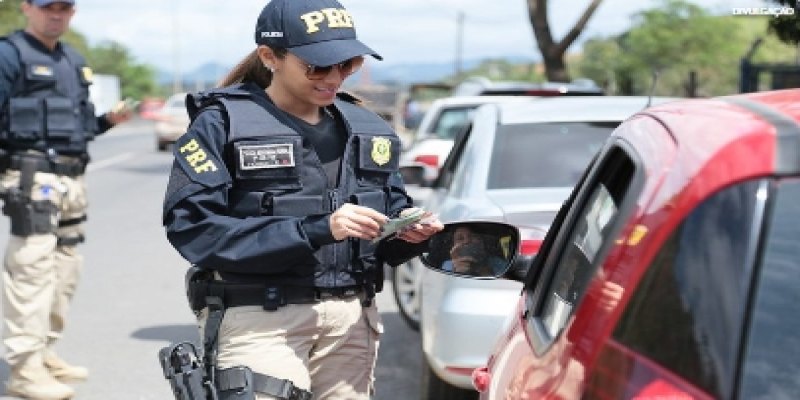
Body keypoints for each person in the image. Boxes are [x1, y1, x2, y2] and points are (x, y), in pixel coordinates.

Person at [161, 0, 442, 399]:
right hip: (262, 320)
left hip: (351, 320)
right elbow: (195, 229)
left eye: (348, 65)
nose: (335, 77)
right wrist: (317, 229)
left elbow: (390, 211)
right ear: (269, 57)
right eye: (318, 66)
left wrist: (407, 232)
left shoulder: (368, 127)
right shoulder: (222, 122)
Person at [0, 1, 131, 398]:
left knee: (65, 270)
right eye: (47, 7)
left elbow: (80, 127)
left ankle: (44, 352)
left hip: (73, 178)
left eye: (64, 8)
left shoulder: (73, 60)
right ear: (27, 8)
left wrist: (108, 121)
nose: (56, 14)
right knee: (32, 270)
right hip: (31, 176)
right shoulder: (8, 54)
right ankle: (23, 369)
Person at [443, 226, 509, 276]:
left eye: (472, 236)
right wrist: (456, 271)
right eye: (460, 238)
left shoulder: (497, 263)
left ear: (481, 242)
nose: (466, 241)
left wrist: (482, 269)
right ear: (453, 246)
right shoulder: (447, 266)